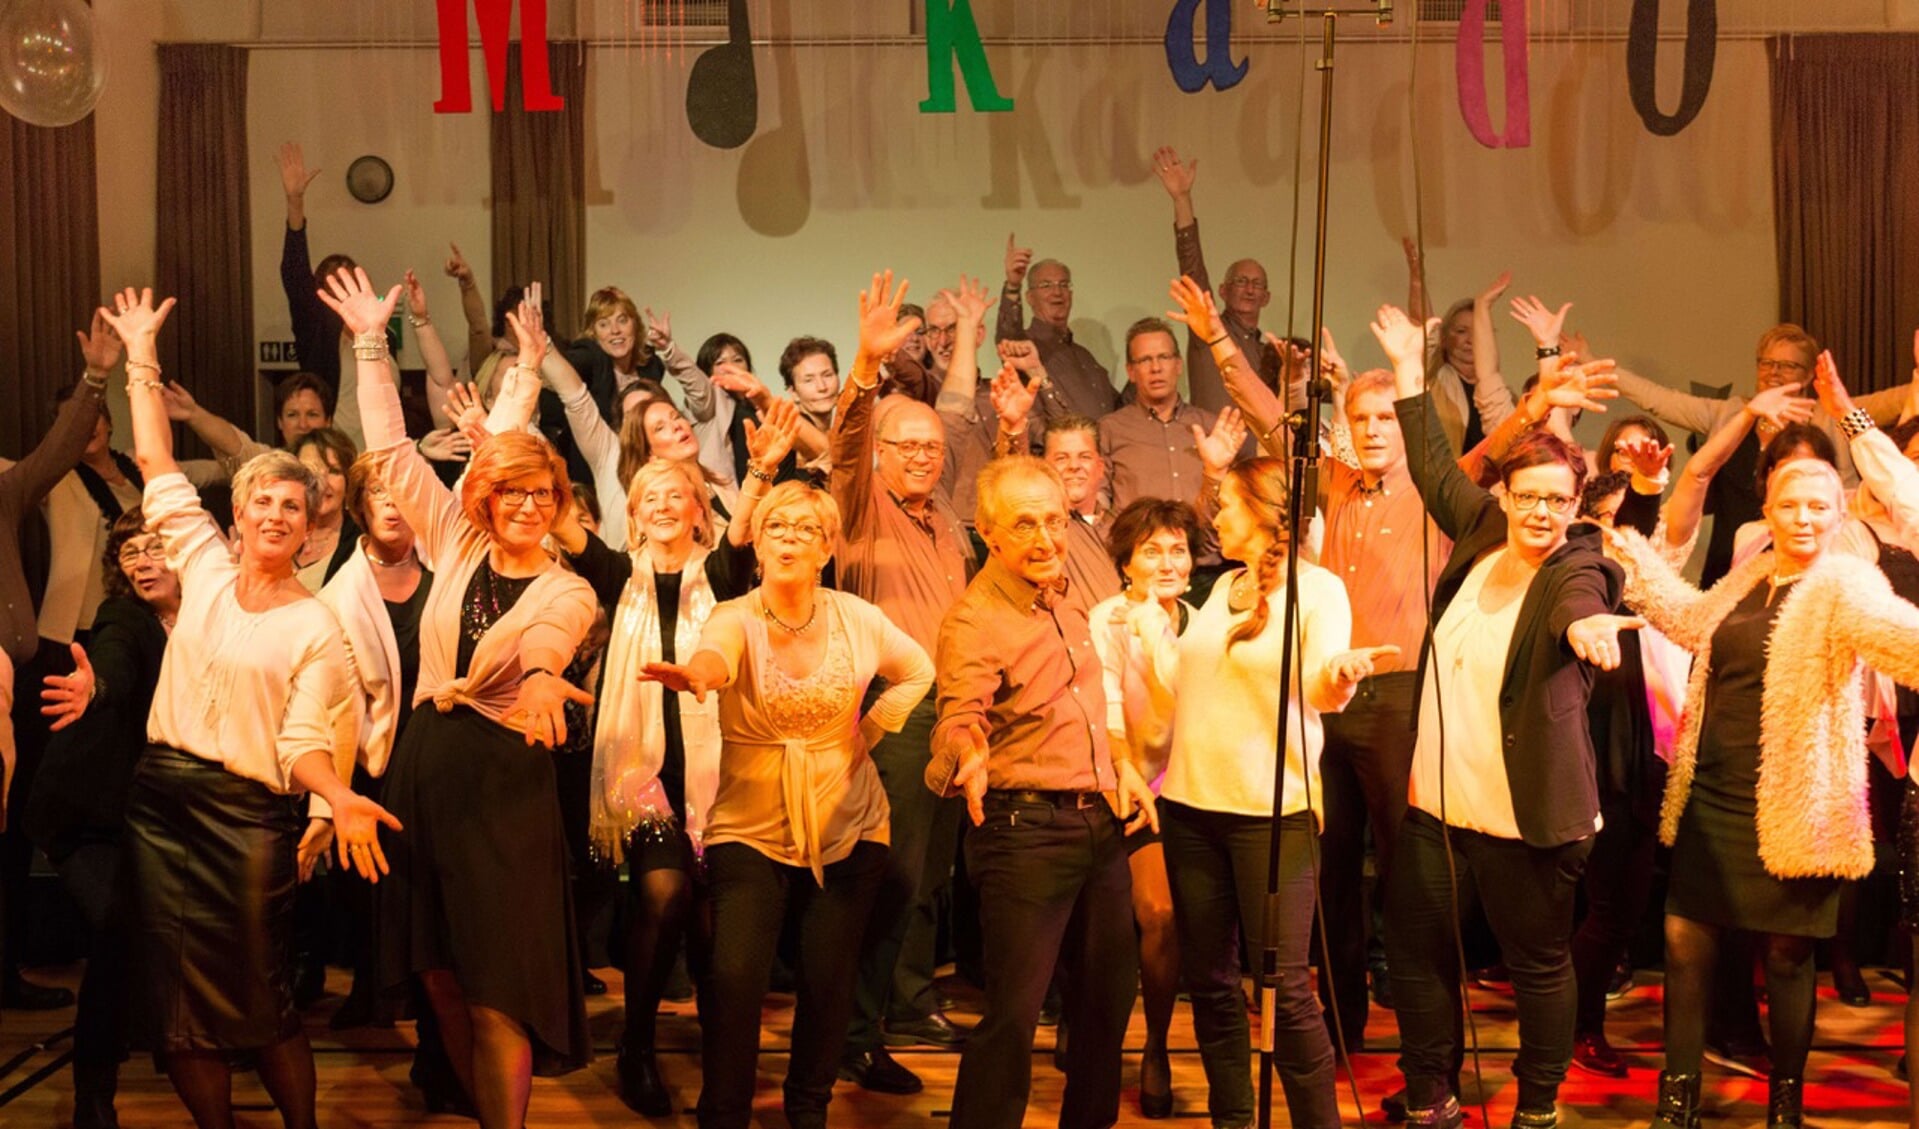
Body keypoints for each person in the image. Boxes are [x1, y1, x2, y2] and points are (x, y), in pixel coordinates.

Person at [104, 285, 398, 1129]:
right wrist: (139, 357)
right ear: (237, 514)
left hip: (248, 816)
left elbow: (305, 739)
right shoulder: (197, 560)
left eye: (292, 506)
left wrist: (333, 794)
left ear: (308, 532)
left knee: (261, 996)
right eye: (261, 500)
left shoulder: (316, 621)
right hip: (159, 802)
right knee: (177, 1009)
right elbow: (158, 463)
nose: (275, 512)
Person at [324, 267, 600, 1129]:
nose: (525, 503)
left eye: (542, 493)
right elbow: (391, 453)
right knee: (440, 972)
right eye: (510, 490)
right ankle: (476, 1103)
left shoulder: (569, 588)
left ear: (558, 503)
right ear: (486, 496)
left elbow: (553, 642)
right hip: (425, 769)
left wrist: (550, 678)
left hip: (506, 783)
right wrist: (374, 342)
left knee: (495, 987)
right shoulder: (455, 539)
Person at [1372, 302, 1634, 1129]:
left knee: (1536, 965)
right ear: (1508, 494)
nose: (1539, 512)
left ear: (1574, 503)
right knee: (1417, 958)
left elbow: (1582, 605)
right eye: (1528, 496)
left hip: (1527, 818)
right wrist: (1410, 375)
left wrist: (1587, 631)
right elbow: (1434, 470)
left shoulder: (1576, 566)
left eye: (1557, 500)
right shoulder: (1483, 529)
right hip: (1436, 809)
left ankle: (1538, 1104)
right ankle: (1431, 1094)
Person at [1609, 435, 1919, 1129]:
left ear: (1838, 512)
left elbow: (1903, 639)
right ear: (1768, 510)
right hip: (1712, 791)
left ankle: (1785, 1102)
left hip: (1794, 798)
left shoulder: (1845, 583)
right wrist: (1630, 538)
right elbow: (1687, 619)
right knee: (1685, 941)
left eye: (1816, 505)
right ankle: (1677, 1098)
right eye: (1788, 504)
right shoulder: (1751, 573)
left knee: (1785, 957)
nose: (1802, 517)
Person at [641, 481, 934, 1129]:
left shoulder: (856, 616)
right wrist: (698, 675)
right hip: (749, 825)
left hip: (849, 823)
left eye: (806, 529)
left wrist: (873, 728)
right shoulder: (734, 614)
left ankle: (809, 1110)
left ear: (827, 548)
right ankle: (723, 1113)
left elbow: (918, 668)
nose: (790, 538)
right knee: (735, 978)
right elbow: (715, 657)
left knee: (827, 984)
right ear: (757, 543)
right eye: (777, 526)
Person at [550, 416, 790, 1114]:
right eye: (647, 495)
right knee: (662, 894)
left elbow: (743, 533)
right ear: (633, 512)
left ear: (694, 509)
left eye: (674, 494)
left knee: (714, 922)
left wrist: (761, 471)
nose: (661, 504)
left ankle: (721, 1059)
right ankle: (636, 1044)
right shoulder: (615, 573)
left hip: (722, 777)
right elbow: (564, 523)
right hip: (639, 774)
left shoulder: (718, 575)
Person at [1153, 455, 1390, 1128]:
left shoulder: (1317, 591)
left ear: (1260, 514)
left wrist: (1339, 676)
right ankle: (1233, 1116)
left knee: (1285, 989)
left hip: (1272, 813)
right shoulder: (1218, 586)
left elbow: (1318, 685)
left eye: (1224, 504)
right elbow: (1189, 688)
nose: (1214, 516)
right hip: (1192, 809)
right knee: (1211, 980)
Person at [927, 454, 1159, 1129]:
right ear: (988, 534)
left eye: (1054, 520)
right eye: (1024, 524)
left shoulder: (1066, 597)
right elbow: (957, 713)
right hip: (1024, 832)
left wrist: (1121, 766)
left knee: (1104, 1008)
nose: (1044, 538)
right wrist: (966, 751)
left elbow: (1087, 709)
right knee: (1014, 1015)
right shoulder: (973, 619)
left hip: (1099, 824)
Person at [833, 273, 982, 1093]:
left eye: (932, 447)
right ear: (880, 456)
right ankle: (856, 1033)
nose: (924, 456)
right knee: (887, 880)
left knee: (924, 878)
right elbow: (850, 436)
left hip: (953, 713)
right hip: (893, 713)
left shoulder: (947, 521)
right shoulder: (861, 505)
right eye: (907, 446)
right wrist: (863, 364)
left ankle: (887, 1013)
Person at [29, 508, 177, 1128]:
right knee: (117, 929)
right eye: (129, 554)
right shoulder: (125, 620)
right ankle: (93, 1092)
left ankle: (174, 1041)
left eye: (153, 547)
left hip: (150, 815)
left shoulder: (210, 621)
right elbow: (114, 660)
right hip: (83, 817)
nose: (142, 562)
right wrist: (98, 689)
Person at [1595, 320, 1907, 583]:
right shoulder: (1730, 413)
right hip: (1730, 559)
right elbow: (1660, 399)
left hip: (1808, 563)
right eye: (1767, 362)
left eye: (1788, 365)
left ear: (1810, 374)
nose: (1774, 372)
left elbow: (1899, 401)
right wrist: (1593, 364)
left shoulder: (1832, 416)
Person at [0, 343, 113, 1013]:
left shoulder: (5, 489)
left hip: (12, 684)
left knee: (10, 830)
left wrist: (95, 377)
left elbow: (59, 450)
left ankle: (5, 970)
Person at [1085, 498, 1203, 1117]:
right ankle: (1125, 1047)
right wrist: (1127, 774)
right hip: (1118, 783)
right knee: (1153, 912)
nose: (1167, 561)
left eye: (1177, 550)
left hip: (1184, 787)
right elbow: (1104, 711)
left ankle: (1158, 1042)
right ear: (1126, 561)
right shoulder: (1107, 619)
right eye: (1152, 550)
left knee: (1175, 921)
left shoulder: (1198, 619)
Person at [1149, 146, 1282, 412]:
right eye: (1241, 281)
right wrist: (1182, 199)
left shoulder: (1271, 354)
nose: (1249, 290)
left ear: (1266, 297)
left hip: (1261, 453)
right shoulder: (1207, 329)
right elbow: (1192, 266)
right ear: (1222, 290)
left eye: (1257, 284)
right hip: (1212, 450)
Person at [997, 237, 1118, 423]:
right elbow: (1008, 338)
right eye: (1046, 285)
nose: (1057, 292)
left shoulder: (1086, 357)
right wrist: (1013, 286)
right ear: (1029, 297)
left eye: (1063, 284)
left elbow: (1120, 409)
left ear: (1071, 294)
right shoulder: (1026, 348)